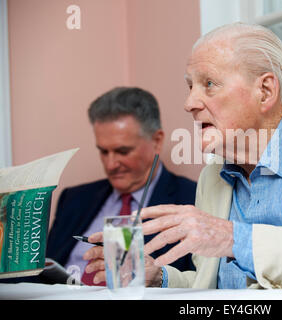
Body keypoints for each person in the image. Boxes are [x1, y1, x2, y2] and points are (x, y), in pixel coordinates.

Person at [84, 23, 282, 299]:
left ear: (265, 91)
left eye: (208, 84)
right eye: (189, 86)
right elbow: (214, 286)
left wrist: (233, 238)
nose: (189, 103)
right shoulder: (213, 177)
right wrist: (159, 278)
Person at [46, 87, 196, 285]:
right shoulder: (74, 199)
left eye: (123, 151)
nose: (110, 164)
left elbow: (205, 282)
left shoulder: (191, 199)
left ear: (157, 141)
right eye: (103, 151)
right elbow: (41, 270)